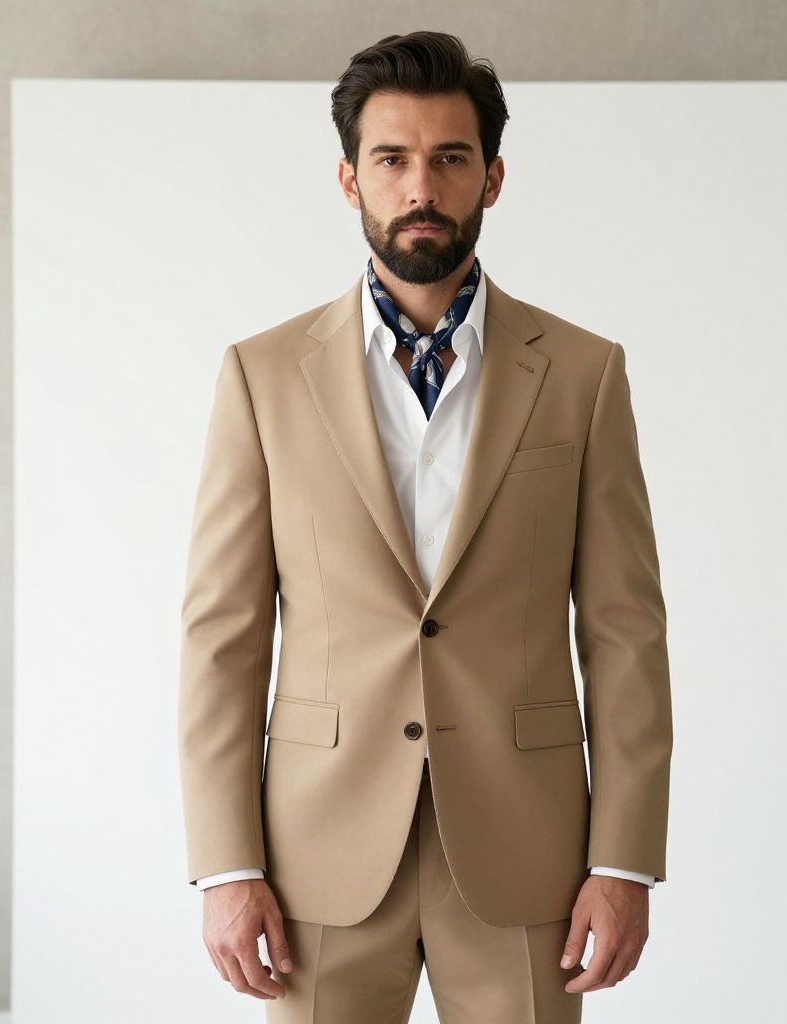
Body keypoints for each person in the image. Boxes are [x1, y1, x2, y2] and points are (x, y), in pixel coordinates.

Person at [178, 30, 673, 1023]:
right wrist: (224, 864)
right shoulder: (263, 375)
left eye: (449, 158)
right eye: (391, 159)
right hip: (316, 854)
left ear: (492, 177)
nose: (420, 186)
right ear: (347, 178)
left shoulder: (581, 373)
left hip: (524, 848)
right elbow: (222, 637)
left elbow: (624, 632)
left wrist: (623, 859)